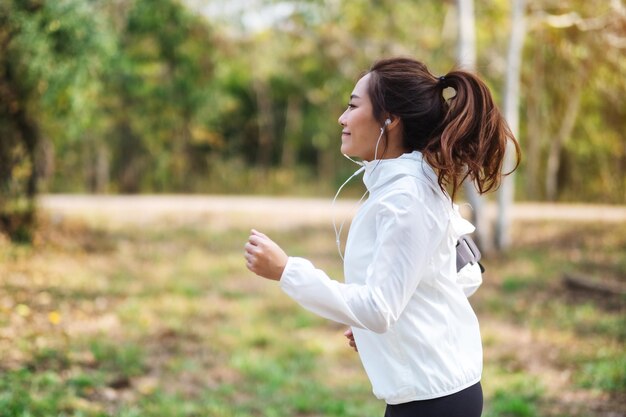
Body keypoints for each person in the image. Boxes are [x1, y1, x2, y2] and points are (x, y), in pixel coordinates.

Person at [244, 57, 520, 417]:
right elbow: (455, 271)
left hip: (433, 403)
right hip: (432, 394)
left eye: (354, 106)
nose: (342, 118)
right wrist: (386, 332)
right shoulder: (411, 185)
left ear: (390, 120)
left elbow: (380, 308)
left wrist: (286, 270)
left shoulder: (406, 197)